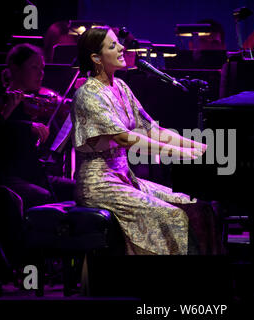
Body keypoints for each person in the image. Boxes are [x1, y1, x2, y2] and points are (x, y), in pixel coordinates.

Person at [71, 26, 224, 255]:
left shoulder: (121, 87)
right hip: (99, 185)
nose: (122, 47)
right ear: (96, 58)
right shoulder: (88, 94)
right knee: (172, 215)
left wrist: (202, 147)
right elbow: (124, 138)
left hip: (125, 179)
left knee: (199, 208)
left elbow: (153, 130)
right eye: (113, 46)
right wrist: (181, 153)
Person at [0, 43, 75, 211]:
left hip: (34, 173)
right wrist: (26, 125)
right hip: (11, 176)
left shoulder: (33, 102)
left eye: (42, 68)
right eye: (34, 67)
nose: (41, 74)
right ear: (15, 68)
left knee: (79, 189)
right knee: (44, 197)